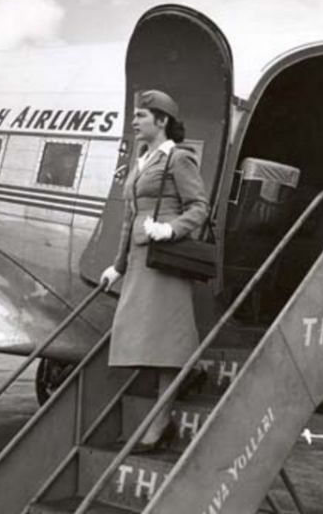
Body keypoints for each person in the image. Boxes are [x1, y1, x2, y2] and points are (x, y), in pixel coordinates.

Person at [100, 89, 209, 451]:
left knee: (166, 342)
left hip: (165, 259)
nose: (134, 121)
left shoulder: (178, 158)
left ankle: (159, 425)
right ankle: (182, 385)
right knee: (142, 335)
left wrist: (171, 229)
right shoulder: (143, 159)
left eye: (141, 115)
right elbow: (129, 218)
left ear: (162, 121)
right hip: (140, 261)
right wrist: (118, 266)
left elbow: (199, 207)